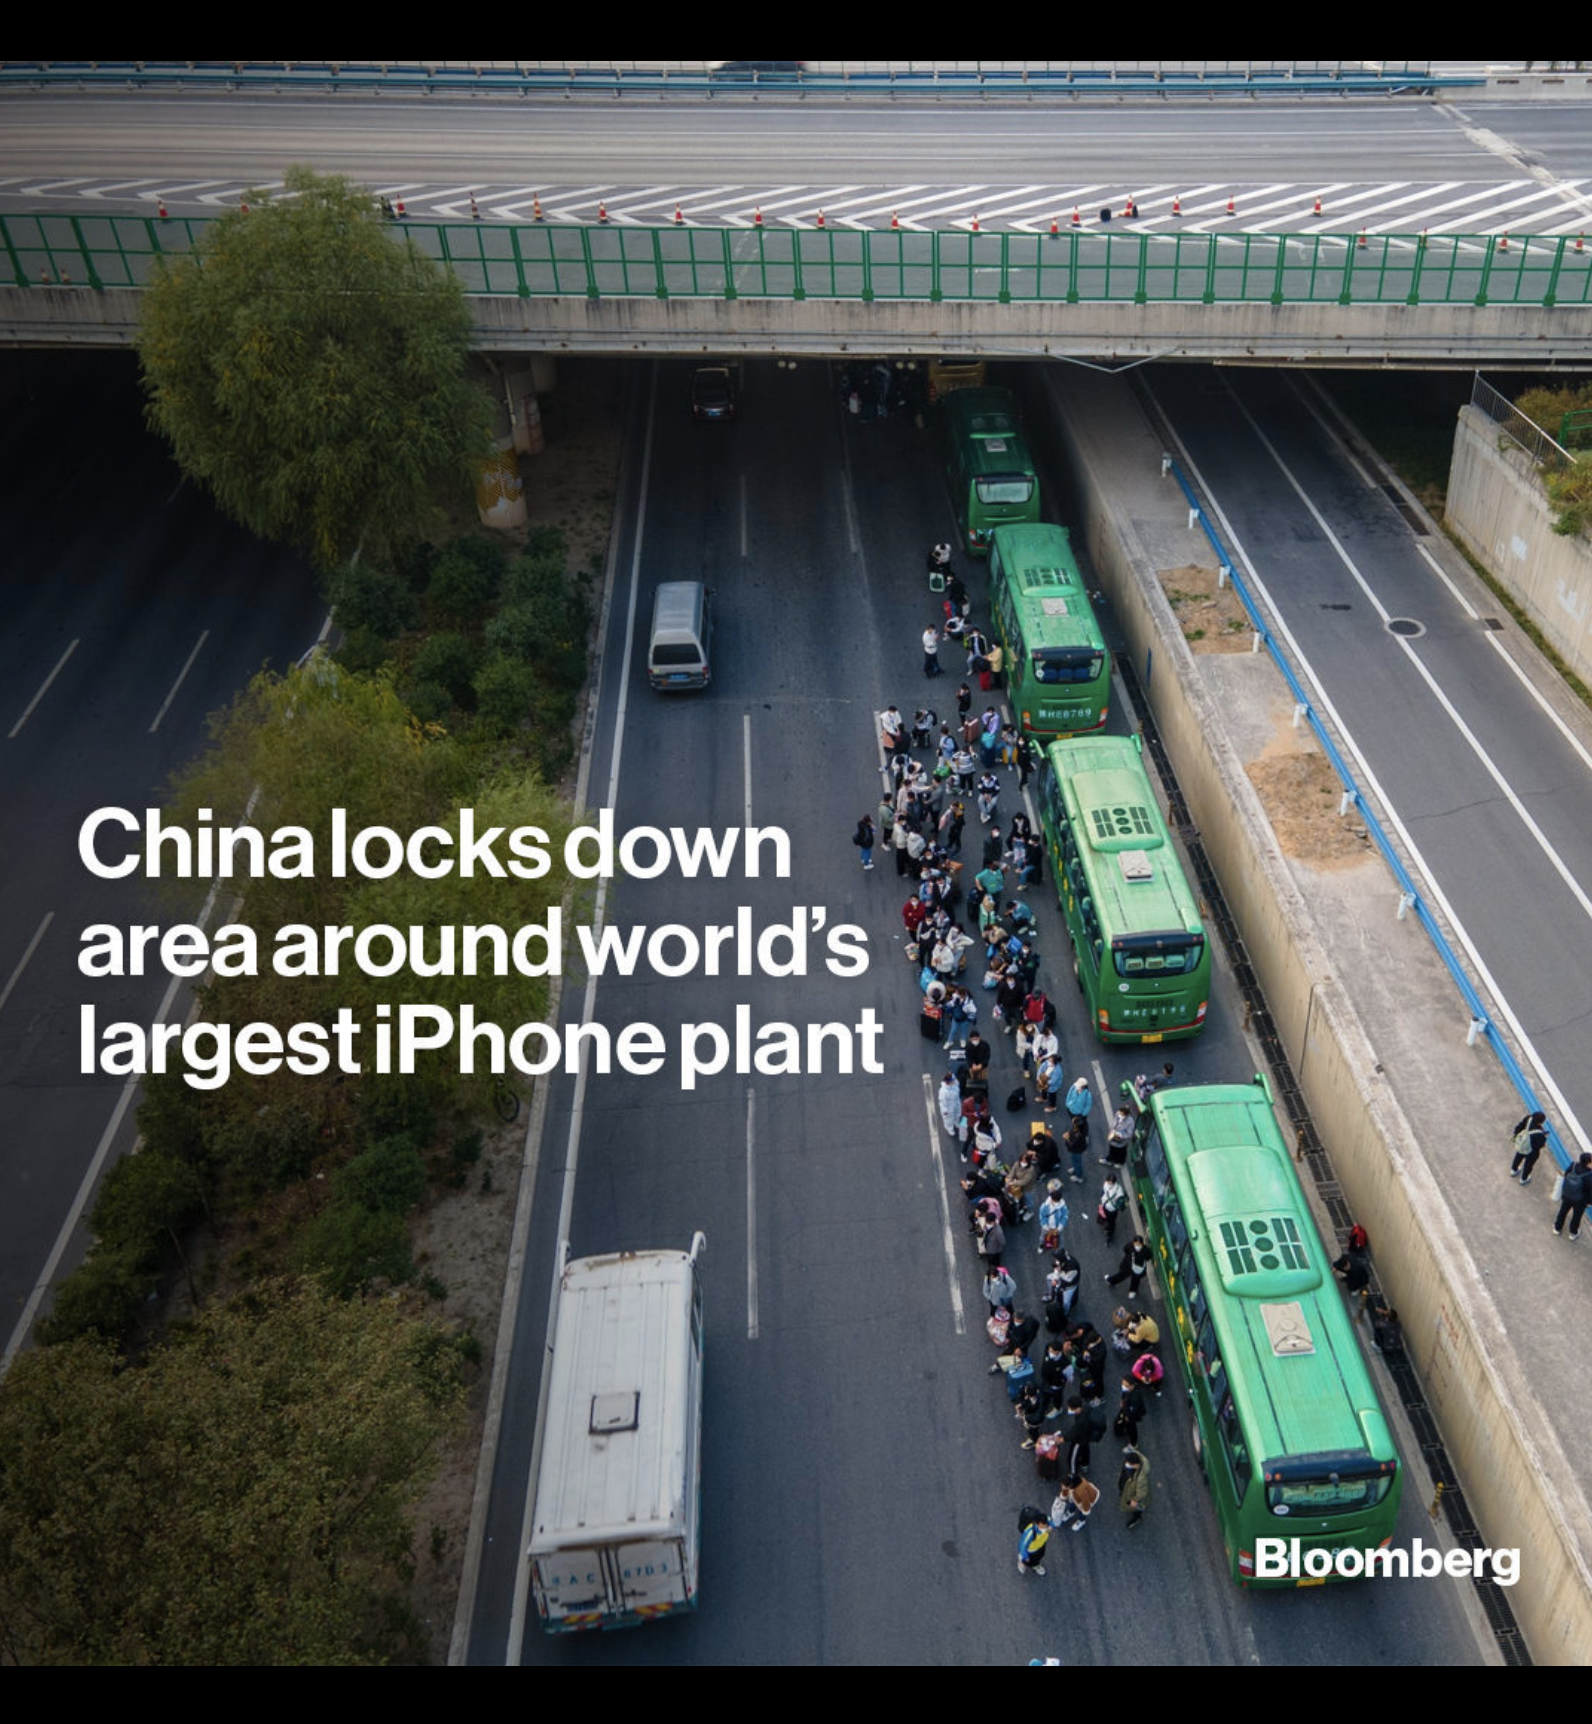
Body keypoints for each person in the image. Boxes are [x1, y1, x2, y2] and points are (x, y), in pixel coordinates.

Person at [1553, 1152, 1592, 1240]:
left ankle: (1557, 1228)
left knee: (1563, 1211)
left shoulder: (1573, 1165)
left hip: (1567, 1195)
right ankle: (1573, 1233)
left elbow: (1566, 1174)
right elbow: (1590, 1192)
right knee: (1576, 1217)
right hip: (1580, 1201)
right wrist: (1589, 1202)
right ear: (1588, 1163)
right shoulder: (1589, 1176)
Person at [1510, 1110, 1549, 1185]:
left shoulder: (1528, 1118)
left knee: (1518, 1156)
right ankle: (1523, 1179)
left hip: (1522, 1143)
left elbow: (1520, 1126)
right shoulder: (1539, 1134)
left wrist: (1515, 1136)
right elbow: (1540, 1145)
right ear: (1540, 1123)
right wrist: (1544, 1136)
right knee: (1528, 1164)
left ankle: (1514, 1170)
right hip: (1531, 1151)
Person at [1119, 1447, 1152, 1531]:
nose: (1127, 1464)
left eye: (1130, 1463)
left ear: (1136, 1464)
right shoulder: (1137, 1458)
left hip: (1132, 1493)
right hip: (1127, 1486)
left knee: (1137, 1507)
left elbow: (1141, 1493)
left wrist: (1134, 1500)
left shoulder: (1141, 1479)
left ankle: (1137, 1518)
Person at [1017, 1508, 1050, 1577]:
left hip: (1040, 1545)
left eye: (1046, 1525)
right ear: (1037, 1524)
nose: (1045, 1527)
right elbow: (1023, 1546)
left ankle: (1034, 1565)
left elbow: (1051, 1520)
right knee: (1030, 1560)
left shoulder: (1046, 1521)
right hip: (1031, 1551)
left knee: (1040, 1556)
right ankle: (1022, 1561)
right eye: (1043, 1526)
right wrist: (1025, 1556)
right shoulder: (1030, 1533)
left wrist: (1051, 1525)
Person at [1098, 1173, 1128, 1247]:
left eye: (1111, 1182)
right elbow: (1103, 1191)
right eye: (1108, 1181)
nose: (1109, 1183)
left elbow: (1120, 1202)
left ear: (1114, 1182)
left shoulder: (1119, 1191)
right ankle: (1104, 1225)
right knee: (1103, 1216)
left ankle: (1109, 1234)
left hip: (1112, 1210)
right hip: (1105, 1205)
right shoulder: (1106, 1184)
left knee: (1111, 1222)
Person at [938, 1072, 964, 1142]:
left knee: (957, 1115)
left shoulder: (955, 1084)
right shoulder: (943, 1091)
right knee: (949, 1119)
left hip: (956, 1104)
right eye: (953, 1080)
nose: (955, 1080)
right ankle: (949, 1128)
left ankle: (956, 1122)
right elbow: (943, 1103)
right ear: (949, 1082)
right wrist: (945, 1111)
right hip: (949, 1108)